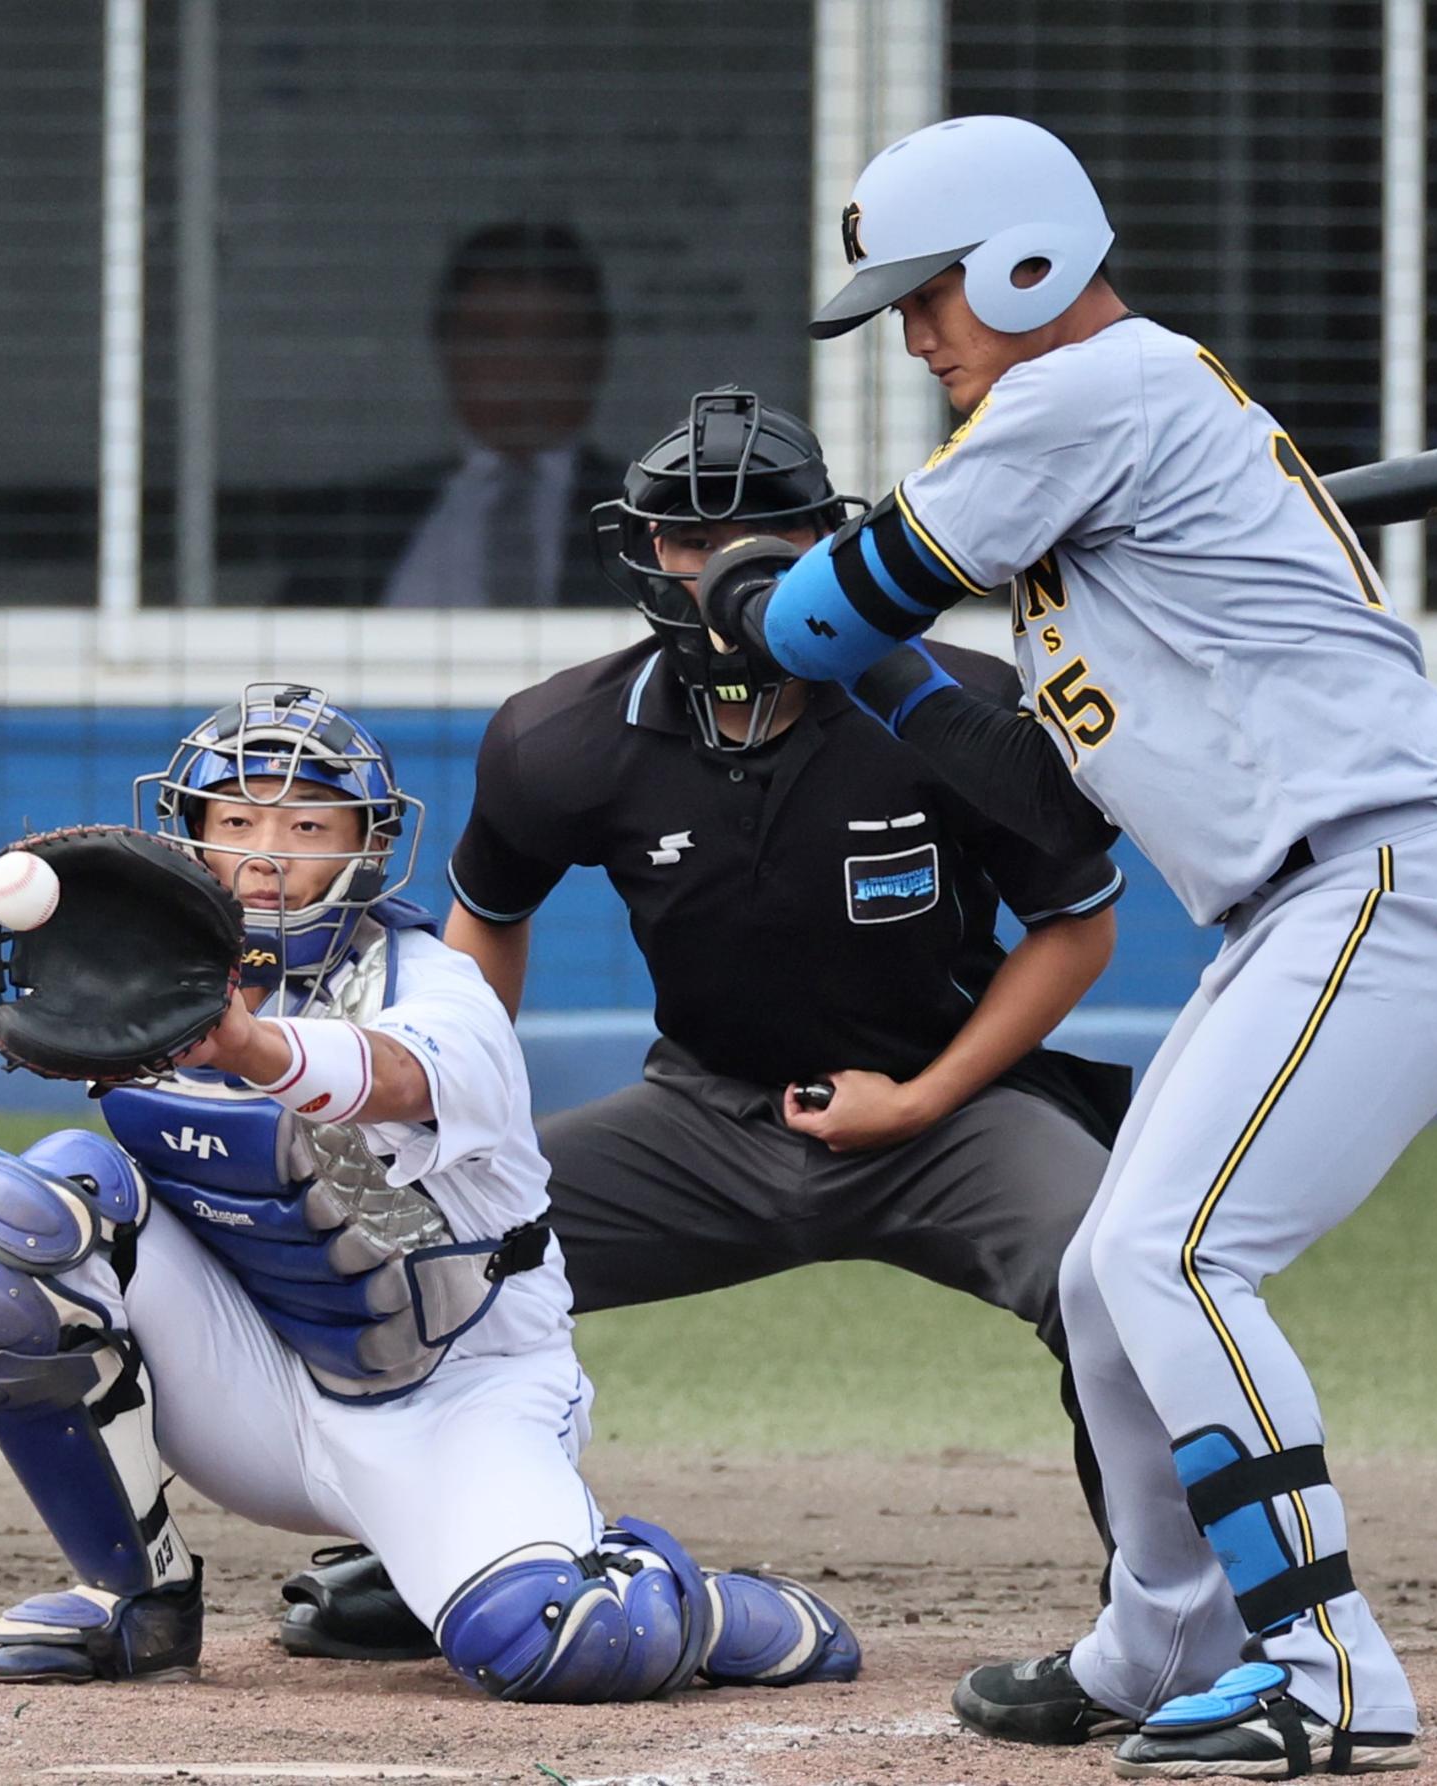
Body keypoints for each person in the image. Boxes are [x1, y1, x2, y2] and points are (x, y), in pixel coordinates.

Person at [697, 117, 1437, 1776]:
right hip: (1304, 907)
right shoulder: (1101, 488)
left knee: (1175, 1256)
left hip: (1386, 887)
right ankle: (1165, 1635)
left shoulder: (1090, 392)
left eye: (928, 295)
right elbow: (1025, 781)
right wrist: (850, 628)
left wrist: (768, 600)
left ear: (1025, 260)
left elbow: (828, 613)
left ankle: (1328, 1668)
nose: (916, 336)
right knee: (1105, 1267)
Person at [273, 388, 1134, 1672]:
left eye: (767, 533)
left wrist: (921, 1098)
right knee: (419, 1250)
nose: (728, 563)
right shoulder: (558, 736)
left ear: (830, 542)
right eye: (690, 536)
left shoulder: (949, 705)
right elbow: (484, 925)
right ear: (642, 552)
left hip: (948, 1115)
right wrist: (456, 1116)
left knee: (1121, 1276)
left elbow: (1075, 925)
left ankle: (1171, 1607)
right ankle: (456, 1556)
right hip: (701, 1114)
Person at [0, 683, 859, 1700]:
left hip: (456, 1394)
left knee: (572, 1640)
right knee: (31, 1216)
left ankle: (705, 1605)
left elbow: (403, 1077)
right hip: (253, 1386)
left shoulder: (434, 984)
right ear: (188, 837)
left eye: (306, 824)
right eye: (235, 822)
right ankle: (134, 1598)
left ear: (369, 844)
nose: (267, 854)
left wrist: (251, 1047)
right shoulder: (147, 990)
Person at [274, 222, 623, 607]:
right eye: (490, 338)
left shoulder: (646, 521)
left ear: (597, 355)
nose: (520, 367)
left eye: (550, 339)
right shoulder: (358, 525)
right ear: (446, 350)